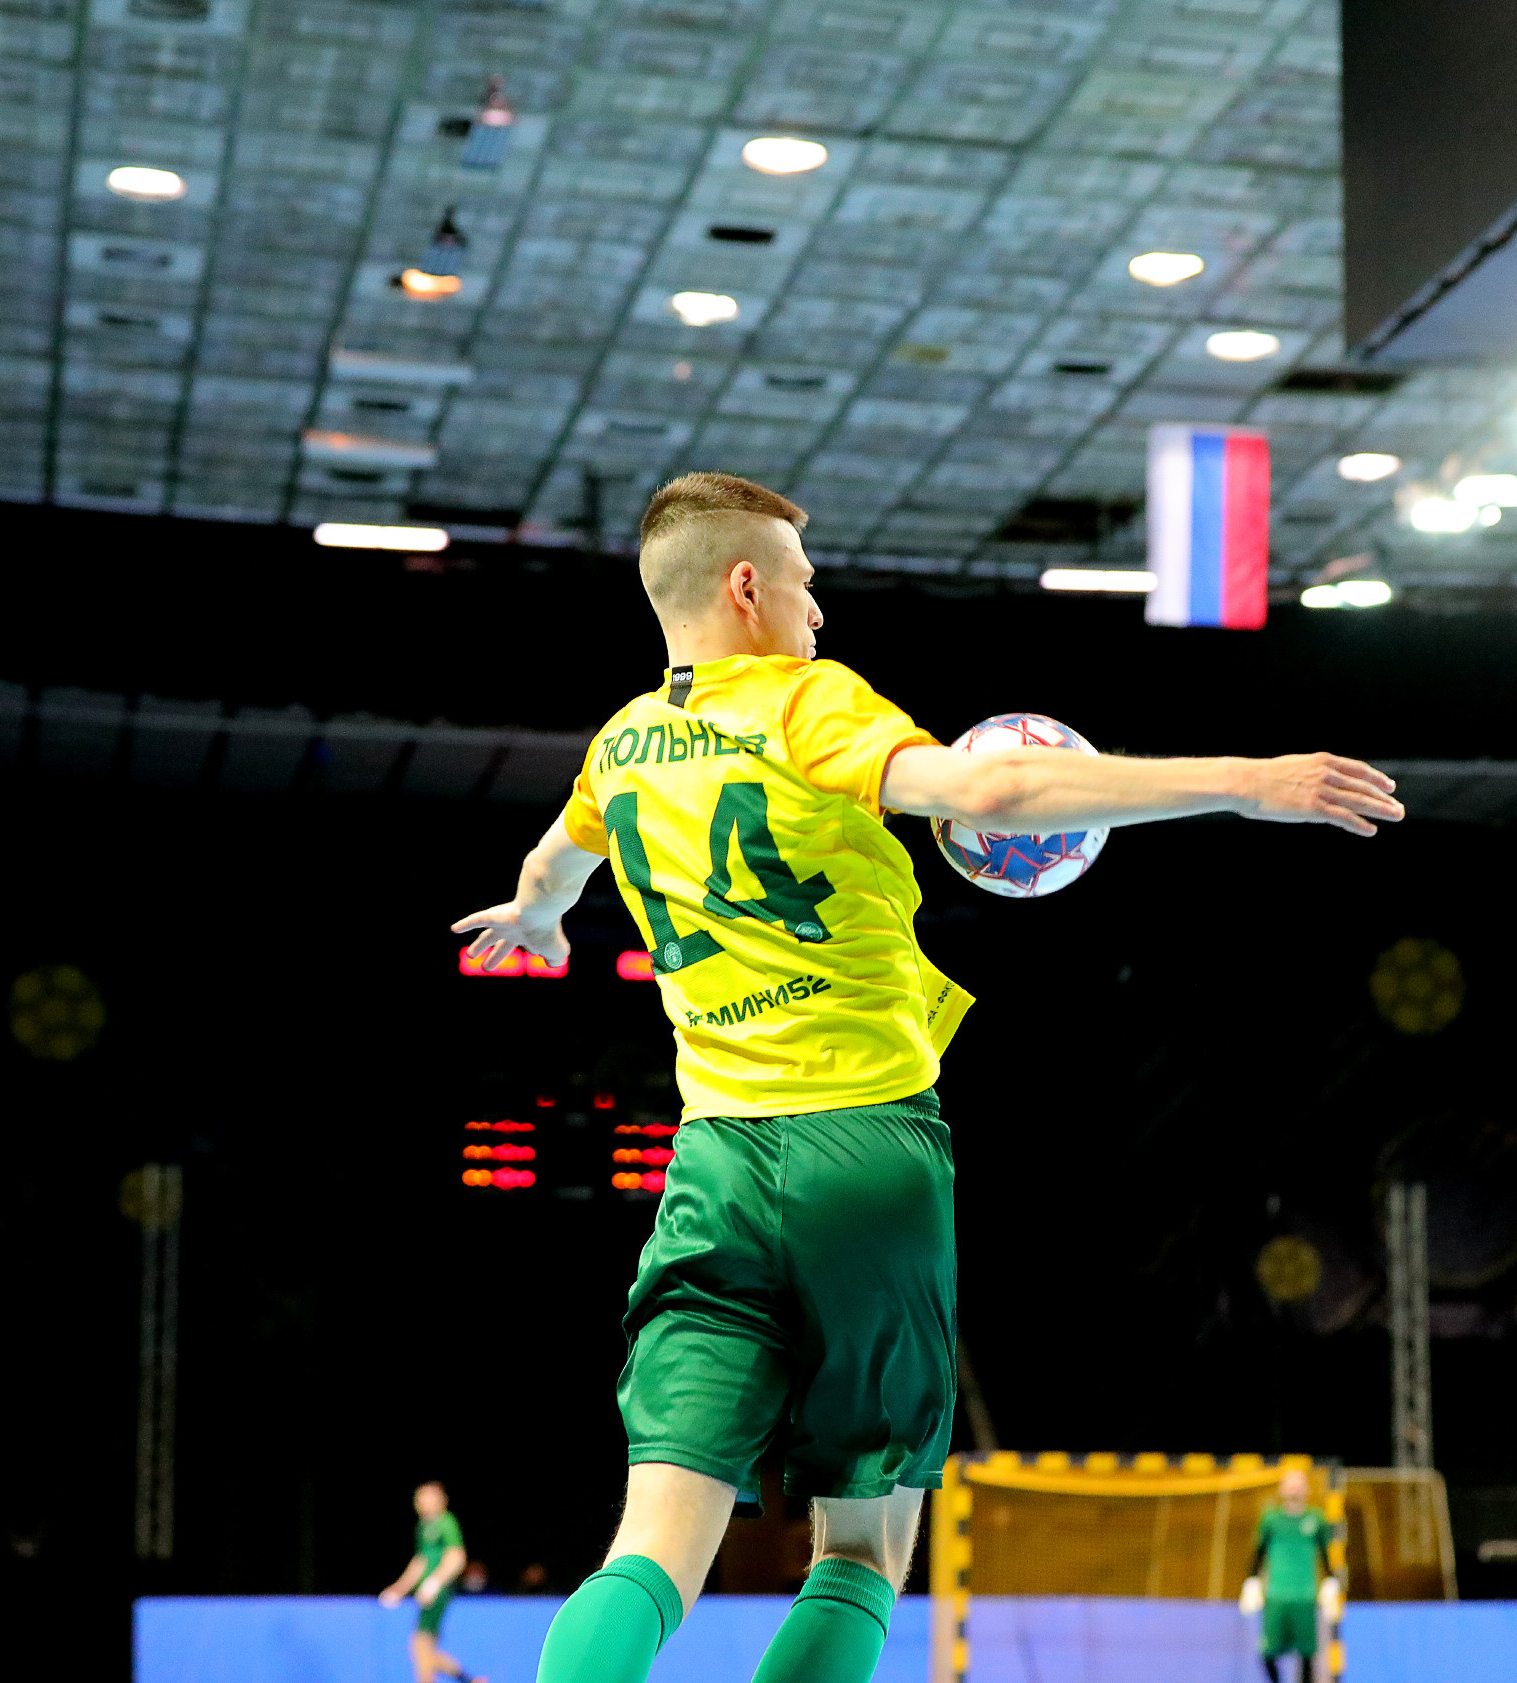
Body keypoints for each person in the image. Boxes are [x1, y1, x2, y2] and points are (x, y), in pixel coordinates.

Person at [452, 472, 1404, 1683]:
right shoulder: (805, 705)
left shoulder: (621, 745)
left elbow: (554, 862)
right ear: (746, 587)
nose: (817, 612)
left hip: (714, 1165)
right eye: (803, 585)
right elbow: (989, 787)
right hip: (865, 1151)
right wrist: (1245, 781)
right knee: (861, 1548)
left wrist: (537, 918)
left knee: (651, 1546)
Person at [1238, 1468, 1342, 1683]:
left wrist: (1331, 1581)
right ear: (1282, 1488)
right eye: (1290, 1483)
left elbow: (1325, 1555)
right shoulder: (1271, 1520)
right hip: (1276, 1598)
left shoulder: (1316, 1519)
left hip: (1305, 1597)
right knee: (1267, 1653)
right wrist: (1251, 1581)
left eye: (1299, 1483)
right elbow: (1258, 1552)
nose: (1295, 1487)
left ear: (1306, 1489)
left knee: (1307, 1655)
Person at [378, 1481, 485, 1683]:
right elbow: (420, 1562)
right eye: (420, 1498)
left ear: (441, 1499)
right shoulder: (423, 1526)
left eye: (428, 1497)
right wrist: (398, 1590)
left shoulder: (446, 1522)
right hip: (426, 1594)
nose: (423, 1502)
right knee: (425, 1649)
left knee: (420, 1645)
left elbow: (456, 1556)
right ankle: (470, 1680)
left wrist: (435, 1582)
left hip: (438, 1593)